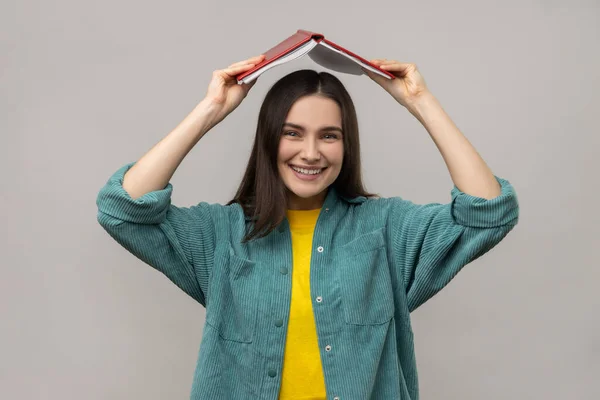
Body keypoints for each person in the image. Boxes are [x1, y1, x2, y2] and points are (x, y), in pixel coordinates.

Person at [96, 53, 519, 400]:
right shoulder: (221, 235)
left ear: (347, 144)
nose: (311, 152)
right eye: (293, 133)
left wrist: (420, 102)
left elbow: (489, 212)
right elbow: (122, 208)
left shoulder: (386, 230)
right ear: (269, 140)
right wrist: (210, 111)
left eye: (329, 135)